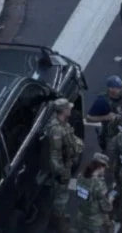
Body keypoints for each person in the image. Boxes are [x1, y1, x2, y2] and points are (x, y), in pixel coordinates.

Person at [46, 98, 84, 233]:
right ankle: (60, 226)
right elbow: (54, 155)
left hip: (66, 163)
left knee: (60, 195)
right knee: (61, 198)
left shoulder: (63, 124)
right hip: (62, 167)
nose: (70, 109)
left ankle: (57, 218)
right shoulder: (56, 130)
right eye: (68, 108)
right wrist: (61, 172)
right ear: (63, 111)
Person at [74, 153, 114, 233]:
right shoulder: (99, 184)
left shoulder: (80, 177)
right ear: (100, 167)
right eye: (104, 168)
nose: (104, 170)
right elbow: (106, 207)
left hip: (80, 217)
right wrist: (111, 199)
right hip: (94, 222)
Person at [87, 76, 122, 151]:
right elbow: (89, 118)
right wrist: (105, 117)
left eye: (121, 87)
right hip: (110, 137)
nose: (121, 89)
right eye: (118, 87)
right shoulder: (102, 101)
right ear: (111, 89)